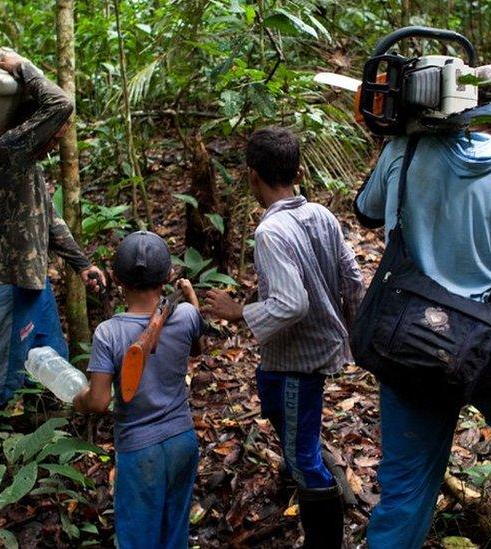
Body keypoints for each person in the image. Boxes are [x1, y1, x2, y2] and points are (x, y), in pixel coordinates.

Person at [353, 67, 491, 549]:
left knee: (405, 494)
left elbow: (365, 211)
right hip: (484, 344)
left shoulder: (403, 151)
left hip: (409, 344)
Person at [204, 127, 365, 548]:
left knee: (302, 456)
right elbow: (352, 280)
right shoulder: (322, 215)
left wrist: (237, 311)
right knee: (289, 422)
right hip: (306, 352)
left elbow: (292, 303)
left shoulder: (270, 233)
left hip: (300, 360)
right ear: (297, 171)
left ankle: (324, 539)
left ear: (252, 175)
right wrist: (351, 332)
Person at [0, 52, 105, 419]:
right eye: (52, 133)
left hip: (31, 281)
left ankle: (44, 434)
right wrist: (21, 67)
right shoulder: (4, 154)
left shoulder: (25, 166)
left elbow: (47, 218)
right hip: (4, 284)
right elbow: (61, 103)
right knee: (3, 376)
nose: (57, 138)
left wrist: (81, 265)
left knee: (50, 360)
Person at [74, 231, 203, 549]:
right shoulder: (186, 315)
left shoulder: (109, 333)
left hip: (139, 450)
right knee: (175, 533)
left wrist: (78, 398)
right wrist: (190, 296)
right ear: (169, 275)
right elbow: (198, 348)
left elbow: (99, 401)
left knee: (137, 539)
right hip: (182, 441)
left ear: (116, 278)